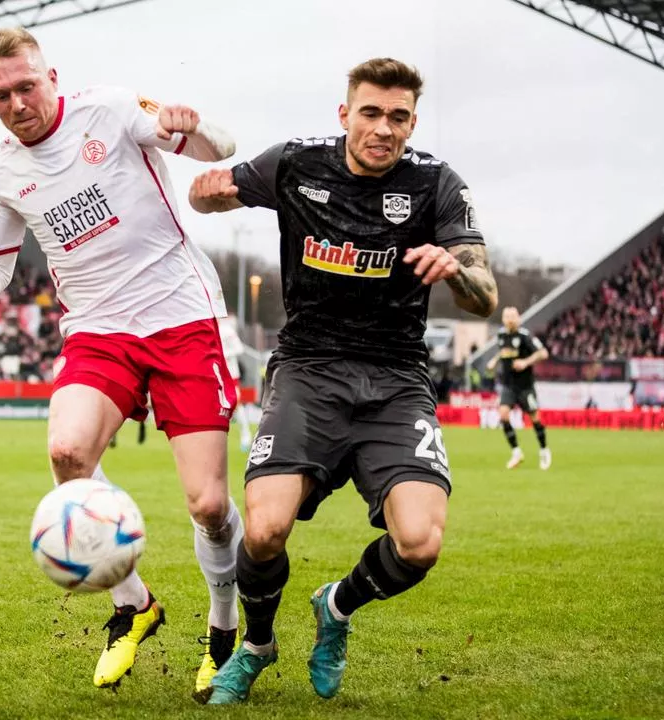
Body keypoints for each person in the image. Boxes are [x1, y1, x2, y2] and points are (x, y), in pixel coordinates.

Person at [0, 27, 244, 699]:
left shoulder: (109, 110)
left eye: (25, 86)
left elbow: (217, 153)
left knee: (207, 502)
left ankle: (224, 629)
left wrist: (189, 124)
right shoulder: (2, 173)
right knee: (66, 452)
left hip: (181, 319)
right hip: (99, 331)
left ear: (51, 76)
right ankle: (135, 607)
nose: (16, 102)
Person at [187, 57, 498, 704]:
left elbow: (484, 295)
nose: (384, 128)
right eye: (371, 113)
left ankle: (337, 605)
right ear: (345, 114)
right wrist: (210, 184)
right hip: (309, 371)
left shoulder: (436, 182)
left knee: (419, 542)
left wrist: (456, 269)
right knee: (266, 527)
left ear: (412, 121)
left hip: (395, 379)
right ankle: (257, 645)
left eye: (399, 117)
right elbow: (204, 194)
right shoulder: (297, 163)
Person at [487, 306, 551, 469]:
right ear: (502, 319)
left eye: (512, 316)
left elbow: (543, 353)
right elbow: (503, 352)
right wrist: (494, 361)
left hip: (525, 386)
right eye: (506, 316)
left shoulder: (525, 336)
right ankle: (516, 452)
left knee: (535, 418)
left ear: (518, 318)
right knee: (503, 415)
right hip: (508, 385)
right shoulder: (501, 335)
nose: (509, 319)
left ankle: (544, 450)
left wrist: (525, 362)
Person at [218, 317, 255, 452]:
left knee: (237, 405)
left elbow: (239, 348)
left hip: (231, 375)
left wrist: (224, 354)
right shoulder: (208, 330)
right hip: (216, 375)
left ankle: (246, 436)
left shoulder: (227, 330)